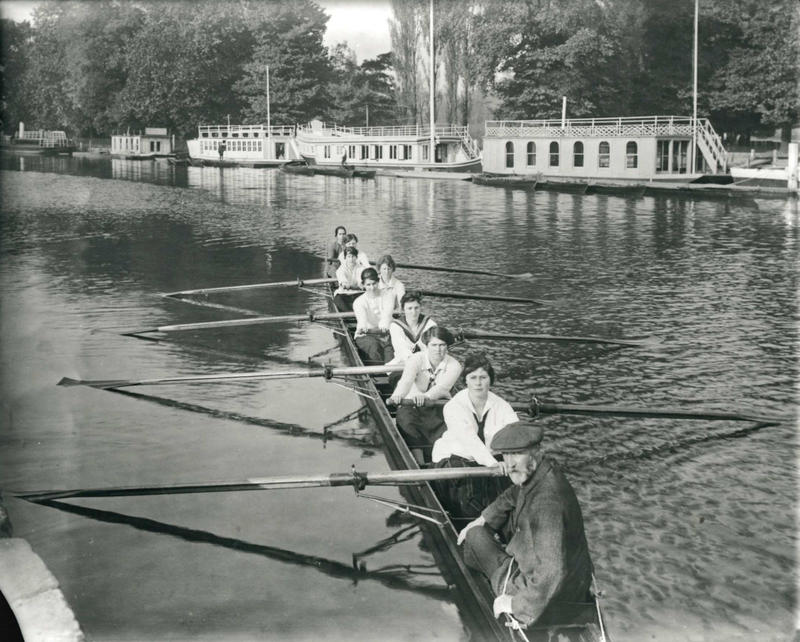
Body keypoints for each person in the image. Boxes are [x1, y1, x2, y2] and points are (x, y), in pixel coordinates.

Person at [458, 422, 595, 630]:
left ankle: (509, 588)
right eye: (506, 455)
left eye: (517, 454)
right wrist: (483, 518)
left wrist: (515, 604)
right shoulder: (545, 472)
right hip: (575, 584)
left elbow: (551, 572)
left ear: (536, 453)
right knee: (481, 526)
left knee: (475, 538)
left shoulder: (546, 501)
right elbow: (514, 494)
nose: (510, 463)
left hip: (545, 597)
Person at [430, 352, 517, 520]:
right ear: (465, 381)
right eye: (473, 377)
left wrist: (512, 461)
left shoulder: (502, 405)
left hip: (492, 462)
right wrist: (493, 464)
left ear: (490, 380)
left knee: (512, 500)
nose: (478, 383)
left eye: (483, 377)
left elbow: (516, 436)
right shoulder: (453, 407)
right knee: (471, 504)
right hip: (458, 459)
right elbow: (469, 441)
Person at [387, 326, 462, 464]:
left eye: (442, 345)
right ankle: (419, 463)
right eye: (434, 345)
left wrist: (426, 397)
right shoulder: (415, 359)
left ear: (447, 347)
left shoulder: (455, 366)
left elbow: (441, 388)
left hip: (438, 403)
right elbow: (406, 381)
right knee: (406, 420)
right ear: (427, 346)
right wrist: (397, 396)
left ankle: (442, 460)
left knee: (452, 425)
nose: (438, 350)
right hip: (411, 403)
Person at [352, 267, 396, 365]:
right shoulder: (358, 302)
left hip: (386, 332)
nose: (372, 288)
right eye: (368, 284)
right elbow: (363, 323)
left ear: (378, 281)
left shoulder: (388, 295)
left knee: (390, 352)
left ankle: (390, 371)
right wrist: (368, 329)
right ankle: (378, 369)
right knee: (374, 347)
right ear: (363, 285)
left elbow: (386, 317)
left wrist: (384, 330)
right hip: (365, 335)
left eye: (374, 284)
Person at [386, 292, 436, 367]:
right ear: (403, 309)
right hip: (402, 363)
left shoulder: (430, 324)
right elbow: (402, 351)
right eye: (410, 308)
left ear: (420, 307)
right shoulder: (395, 326)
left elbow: (431, 349)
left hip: (426, 363)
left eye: (416, 308)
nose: (414, 312)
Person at [333, 246, 363, 312]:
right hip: (344, 293)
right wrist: (349, 285)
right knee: (337, 299)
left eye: (353, 256)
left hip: (358, 293)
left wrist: (360, 285)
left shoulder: (361, 268)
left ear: (356, 257)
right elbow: (345, 283)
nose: (351, 259)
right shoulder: (340, 270)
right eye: (349, 257)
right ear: (345, 258)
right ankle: (350, 314)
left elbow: (361, 283)